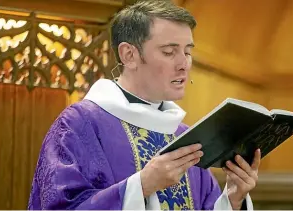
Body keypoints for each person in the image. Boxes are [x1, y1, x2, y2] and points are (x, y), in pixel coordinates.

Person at [28, 0, 260, 210]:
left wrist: (232, 199)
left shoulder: (184, 135)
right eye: (169, 52)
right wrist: (142, 185)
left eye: (187, 52)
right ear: (129, 55)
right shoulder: (80, 125)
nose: (183, 64)